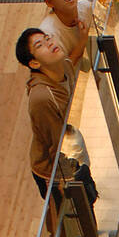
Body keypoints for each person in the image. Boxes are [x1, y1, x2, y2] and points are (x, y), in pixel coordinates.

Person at [16, 28, 74, 198]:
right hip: (53, 172)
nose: (50, 43)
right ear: (34, 63)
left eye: (48, 38)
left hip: (71, 149)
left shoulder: (65, 64)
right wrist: (71, 181)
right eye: (40, 45)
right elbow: (56, 147)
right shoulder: (41, 98)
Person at [38, 0, 91, 68]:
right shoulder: (48, 34)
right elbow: (62, 73)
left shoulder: (85, 6)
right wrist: (82, 41)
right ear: (49, 2)